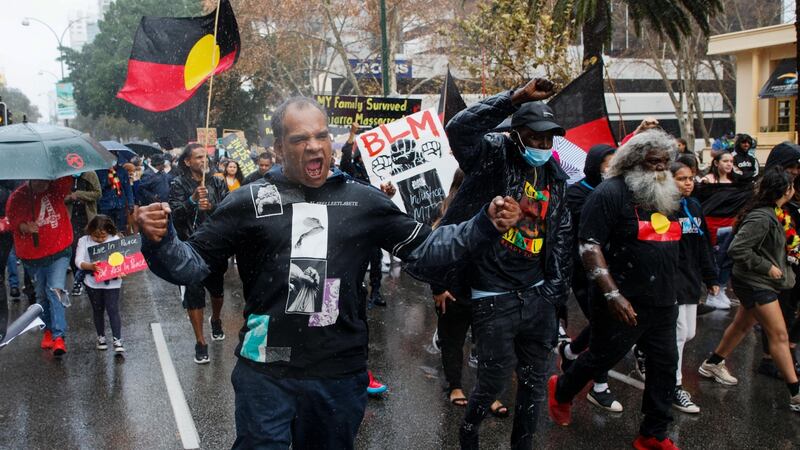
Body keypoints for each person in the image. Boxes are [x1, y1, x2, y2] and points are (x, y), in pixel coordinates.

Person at [137, 96, 522, 449]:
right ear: (278, 148)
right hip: (266, 370)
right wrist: (159, 241)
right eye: (300, 138)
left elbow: (427, 251)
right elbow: (190, 266)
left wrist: (484, 225)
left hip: (337, 370)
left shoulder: (361, 199)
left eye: (321, 136)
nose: (314, 146)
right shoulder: (248, 202)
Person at [441, 78, 573, 450]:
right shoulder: (492, 158)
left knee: (533, 383)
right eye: (535, 138)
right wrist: (514, 98)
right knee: (493, 381)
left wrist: (553, 293)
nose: (543, 146)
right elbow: (458, 128)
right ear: (516, 136)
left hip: (537, 296)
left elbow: (561, 236)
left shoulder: (556, 178)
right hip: (493, 295)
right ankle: (470, 432)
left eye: (549, 139)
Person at [548, 130, 683, 450]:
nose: (661, 169)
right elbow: (588, 245)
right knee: (600, 358)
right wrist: (612, 294)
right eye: (653, 162)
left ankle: (653, 432)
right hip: (620, 300)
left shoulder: (668, 193)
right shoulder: (609, 193)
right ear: (634, 162)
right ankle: (562, 390)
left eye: (665, 162)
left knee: (665, 365)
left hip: (663, 300)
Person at [699, 166, 800, 414]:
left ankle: (712, 364)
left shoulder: (776, 212)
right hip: (756, 283)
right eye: (791, 185)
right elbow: (737, 249)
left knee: (742, 325)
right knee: (780, 336)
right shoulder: (762, 216)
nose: (794, 189)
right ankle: (796, 394)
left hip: (757, 282)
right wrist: (767, 267)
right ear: (785, 190)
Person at [559, 144, 621, 412]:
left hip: (613, 269)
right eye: (606, 164)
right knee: (603, 327)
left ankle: (571, 352)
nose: (610, 169)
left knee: (603, 324)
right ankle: (600, 385)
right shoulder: (576, 194)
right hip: (584, 271)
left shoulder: (620, 192)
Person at [169, 143, 229, 364]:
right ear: (187, 162)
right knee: (194, 294)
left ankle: (216, 319)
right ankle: (200, 341)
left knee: (217, 291)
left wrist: (211, 207)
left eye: (206, 156)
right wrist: (192, 201)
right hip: (189, 248)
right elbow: (175, 216)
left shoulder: (217, 181)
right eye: (198, 157)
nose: (204, 160)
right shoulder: (178, 184)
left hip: (215, 246)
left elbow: (228, 211)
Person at [670, 161, 719, 414]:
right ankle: (674, 385)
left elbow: (704, 244)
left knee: (688, 333)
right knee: (679, 333)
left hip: (691, 278)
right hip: (672, 279)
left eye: (691, 178)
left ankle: (645, 350)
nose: (688, 182)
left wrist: (711, 278)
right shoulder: (664, 208)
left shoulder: (695, 205)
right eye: (681, 178)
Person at [6, 177, 75, 356]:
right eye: (38, 181)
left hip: (59, 251)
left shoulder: (55, 188)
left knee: (55, 290)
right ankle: (48, 330)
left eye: (45, 181)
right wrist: (25, 227)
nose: (42, 185)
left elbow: (67, 182)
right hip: (33, 257)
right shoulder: (18, 196)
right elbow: (13, 221)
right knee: (41, 295)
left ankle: (59, 336)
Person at [757, 143, 800, 378]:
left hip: (794, 257)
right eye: (790, 166)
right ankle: (770, 359)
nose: (794, 171)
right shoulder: (768, 191)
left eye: (797, 167)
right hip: (776, 261)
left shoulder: (795, 189)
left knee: (789, 310)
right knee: (778, 310)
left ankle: (789, 348)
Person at [339, 122, 388, 307]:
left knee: (376, 259)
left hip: (374, 223)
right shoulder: (351, 171)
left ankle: (375, 292)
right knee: (356, 260)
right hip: (356, 223)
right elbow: (345, 157)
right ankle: (355, 291)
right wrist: (352, 134)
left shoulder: (378, 173)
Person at [74, 214, 125, 354]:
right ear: (90, 231)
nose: (101, 239)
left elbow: (124, 258)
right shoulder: (83, 241)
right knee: (98, 310)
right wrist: (90, 266)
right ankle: (101, 337)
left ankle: (117, 339)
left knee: (113, 309)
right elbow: (78, 261)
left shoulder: (115, 239)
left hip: (113, 282)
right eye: (96, 236)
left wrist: (122, 269)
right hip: (92, 282)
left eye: (104, 236)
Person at [65, 171, 102, 296]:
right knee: (74, 249)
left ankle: (89, 278)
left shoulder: (90, 174)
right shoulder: (64, 176)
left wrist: (79, 194)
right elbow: (58, 197)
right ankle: (78, 279)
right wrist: (69, 197)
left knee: (89, 250)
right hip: (70, 219)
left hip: (87, 218)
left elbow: (97, 193)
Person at [97, 161, 135, 233]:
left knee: (121, 229)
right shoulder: (99, 171)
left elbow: (128, 188)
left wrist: (131, 203)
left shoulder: (122, 171)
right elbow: (97, 189)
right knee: (106, 230)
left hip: (120, 205)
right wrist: (105, 183)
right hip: (105, 206)